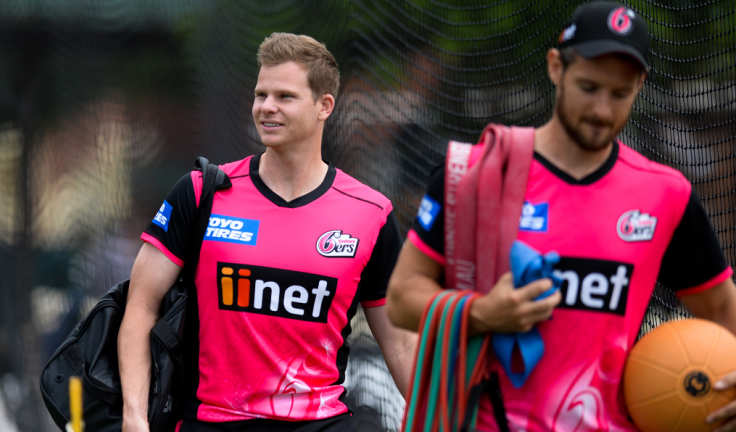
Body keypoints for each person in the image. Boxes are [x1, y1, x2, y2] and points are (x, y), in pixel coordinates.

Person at [386, 2, 736, 431]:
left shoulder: (666, 194)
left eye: (620, 93)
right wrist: (481, 312)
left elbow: (721, 307)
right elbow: (402, 300)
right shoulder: (478, 173)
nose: (602, 111)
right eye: (589, 88)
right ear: (556, 68)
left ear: (640, 85)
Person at [118, 32, 416, 432]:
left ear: (324, 106)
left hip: (321, 422)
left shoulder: (371, 215)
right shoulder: (202, 191)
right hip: (214, 421)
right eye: (261, 95)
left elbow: (398, 342)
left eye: (285, 97)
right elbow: (140, 305)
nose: (267, 108)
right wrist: (134, 415)